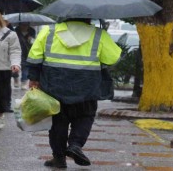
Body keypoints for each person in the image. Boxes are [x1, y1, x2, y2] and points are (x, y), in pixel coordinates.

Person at [27, 18, 122, 168]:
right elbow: (113, 59)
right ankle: (75, 145)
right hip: (86, 86)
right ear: (88, 17)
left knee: (58, 122)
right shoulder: (98, 34)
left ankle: (59, 158)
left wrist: (33, 78)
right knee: (85, 116)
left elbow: (34, 58)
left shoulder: (49, 31)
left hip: (54, 85)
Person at [13, 22, 36, 89]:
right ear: (19, 25)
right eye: (22, 25)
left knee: (25, 67)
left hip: (27, 52)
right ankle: (15, 78)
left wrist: (31, 39)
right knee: (15, 66)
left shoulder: (32, 31)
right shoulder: (15, 31)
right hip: (16, 51)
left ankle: (24, 82)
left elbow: (33, 42)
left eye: (26, 25)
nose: (24, 27)